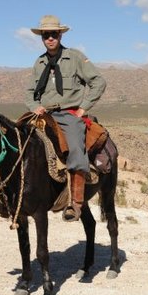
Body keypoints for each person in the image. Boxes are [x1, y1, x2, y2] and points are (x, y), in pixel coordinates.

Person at [25, 15, 107, 222]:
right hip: (44, 113)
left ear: (60, 35)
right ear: (42, 38)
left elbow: (98, 82)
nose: (50, 38)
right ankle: (7, 196)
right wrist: (35, 107)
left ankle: (75, 203)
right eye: (46, 35)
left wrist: (83, 109)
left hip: (68, 113)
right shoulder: (40, 62)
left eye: (54, 34)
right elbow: (29, 92)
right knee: (17, 139)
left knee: (76, 147)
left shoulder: (75, 57)